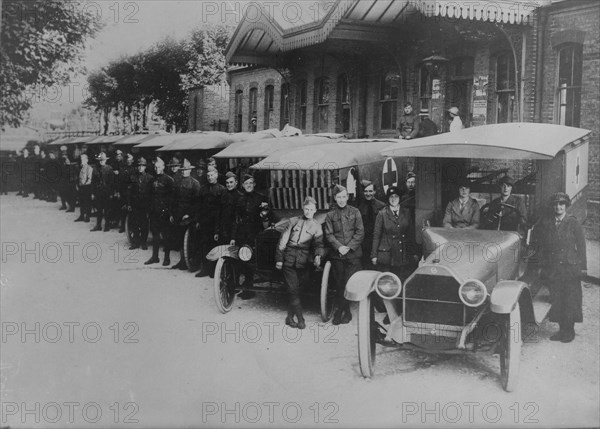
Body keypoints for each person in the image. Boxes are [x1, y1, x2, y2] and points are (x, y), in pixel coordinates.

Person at [536, 192, 587, 343]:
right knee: (557, 298)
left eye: (561, 204)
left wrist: (583, 267)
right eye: (556, 204)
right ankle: (561, 329)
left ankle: (569, 331)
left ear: (566, 206)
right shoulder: (547, 224)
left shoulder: (573, 222)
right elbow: (543, 247)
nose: (558, 207)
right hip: (553, 267)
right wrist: (541, 266)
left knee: (570, 299)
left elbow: (581, 246)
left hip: (570, 268)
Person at [276, 196, 324, 329]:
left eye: (311, 209)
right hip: (289, 260)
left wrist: (318, 256)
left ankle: (289, 317)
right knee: (293, 289)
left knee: (298, 289)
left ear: (315, 210)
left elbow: (318, 244)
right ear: (303, 209)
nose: (308, 211)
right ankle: (301, 319)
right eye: (306, 209)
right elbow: (282, 242)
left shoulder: (316, 226)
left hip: (304, 263)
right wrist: (279, 259)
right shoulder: (293, 221)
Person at [324, 184, 364, 325]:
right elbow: (328, 234)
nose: (341, 200)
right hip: (338, 255)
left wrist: (349, 247)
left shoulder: (355, 212)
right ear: (335, 198)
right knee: (340, 283)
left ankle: (339, 312)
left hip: (353, 255)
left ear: (347, 197)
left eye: (344, 196)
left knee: (348, 283)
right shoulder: (330, 215)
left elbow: (360, 232)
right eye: (339, 197)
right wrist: (339, 247)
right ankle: (346, 312)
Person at [230, 174, 273, 299]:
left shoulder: (261, 198)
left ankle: (249, 288)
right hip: (241, 233)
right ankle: (238, 285)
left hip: (256, 233)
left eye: (250, 183)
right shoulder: (240, 199)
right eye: (246, 184)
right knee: (240, 259)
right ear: (242, 186)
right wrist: (233, 237)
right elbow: (236, 219)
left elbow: (267, 215)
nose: (248, 186)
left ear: (254, 184)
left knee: (250, 260)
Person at [371, 186, 415, 280]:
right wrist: (374, 255)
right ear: (388, 199)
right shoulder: (382, 214)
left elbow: (410, 234)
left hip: (402, 253)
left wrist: (413, 252)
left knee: (402, 279)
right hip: (387, 254)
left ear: (399, 198)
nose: (393, 199)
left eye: (396, 196)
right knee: (387, 282)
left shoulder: (406, 212)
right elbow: (376, 235)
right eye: (391, 197)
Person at [170, 158, 201, 270]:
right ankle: (182, 261)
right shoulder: (177, 183)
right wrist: (172, 214)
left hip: (189, 217)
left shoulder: (195, 184)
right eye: (182, 170)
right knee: (180, 239)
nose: (184, 172)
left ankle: (192, 261)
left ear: (190, 170)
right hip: (178, 215)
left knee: (190, 240)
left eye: (186, 169)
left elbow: (197, 202)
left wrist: (189, 214)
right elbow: (173, 200)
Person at [196, 167, 227, 277]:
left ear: (217, 175)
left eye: (212, 175)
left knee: (215, 246)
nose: (210, 177)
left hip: (216, 222)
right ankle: (204, 269)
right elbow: (198, 206)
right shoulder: (202, 189)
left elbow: (223, 208)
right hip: (205, 222)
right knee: (204, 245)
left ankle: (214, 270)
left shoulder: (222, 189)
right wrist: (198, 220)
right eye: (208, 176)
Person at [144, 157, 175, 266]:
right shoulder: (151, 180)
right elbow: (148, 196)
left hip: (165, 212)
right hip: (154, 212)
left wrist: (170, 212)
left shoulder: (169, 180)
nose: (157, 169)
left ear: (163, 167)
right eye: (155, 167)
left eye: (159, 167)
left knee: (166, 236)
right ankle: (155, 257)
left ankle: (167, 258)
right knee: (155, 235)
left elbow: (172, 198)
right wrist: (149, 210)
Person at [356, 179, 385, 269]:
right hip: (365, 243)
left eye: (370, 191)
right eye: (365, 191)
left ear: (374, 192)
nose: (368, 194)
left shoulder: (381, 206)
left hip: (379, 242)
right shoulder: (359, 208)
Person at [127, 157, 153, 250]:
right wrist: (129, 204)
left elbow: (151, 193)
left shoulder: (150, 178)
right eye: (139, 166)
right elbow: (129, 192)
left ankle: (143, 242)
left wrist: (150, 206)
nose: (140, 168)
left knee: (144, 224)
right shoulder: (132, 177)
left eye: (142, 166)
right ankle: (135, 243)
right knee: (134, 224)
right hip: (135, 204)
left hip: (145, 205)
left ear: (145, 167)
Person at [91, 152, 115, 232]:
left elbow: (112, 182)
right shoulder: (95, 169)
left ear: (106, 160)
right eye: (100, 160)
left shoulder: (109, 169)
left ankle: (107, 226)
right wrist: (93, 193)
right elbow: (93, 182)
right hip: (98, 192)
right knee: (99, 210)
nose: (101, 161)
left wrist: (111, 193)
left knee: (107, 210)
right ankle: (98, 225)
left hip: (107, 193)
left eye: (103, 160)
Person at [217, 171, 242, 245]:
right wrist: (216, 232)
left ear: (236, 182)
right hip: (222, 230)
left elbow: (237, 218)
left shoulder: (240, 196)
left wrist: (233, 237)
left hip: (233, 231)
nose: (229, 185)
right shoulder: (223, 194)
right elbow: (219, 214)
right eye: (227, 183)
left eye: (231, 182)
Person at [74, 154, 93, 223]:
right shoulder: (81, 168)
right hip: (81, 187)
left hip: (87, 188)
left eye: (83, 159)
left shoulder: (89, 168)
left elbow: (89, 179)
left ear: (87, 160)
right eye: (81, 159)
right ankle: (82, 215)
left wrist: (84, 184)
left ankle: (87, 216)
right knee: (81, 202)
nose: (82, 160)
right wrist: (78, 185)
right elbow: (79, 178)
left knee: (87, 202)